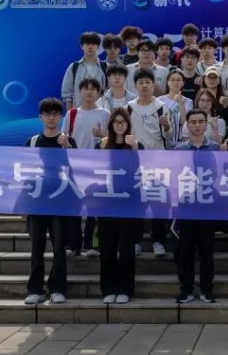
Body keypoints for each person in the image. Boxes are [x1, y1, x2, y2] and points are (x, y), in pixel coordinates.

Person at [23, 98, 74, 306]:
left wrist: (68, 149)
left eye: (55, 114)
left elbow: (77, 171)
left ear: (61, 117)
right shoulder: (33, 142)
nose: (51, 117)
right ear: (40, 117)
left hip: (60, 203)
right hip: (37, 203)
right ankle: (35, 289)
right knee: (37, 247)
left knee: (59, 248)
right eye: (47, 114)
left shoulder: (67, 142)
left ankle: (58, 288)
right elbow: (24, 172)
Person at [95, 107, 144, 305]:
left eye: (123, 122)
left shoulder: (135, 145)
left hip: (128, 204)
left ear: (128, 124)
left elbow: (142, 172)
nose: (120, 125)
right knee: (107, 249)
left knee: (126, 250)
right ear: (111, 125)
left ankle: (125, 289)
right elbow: (95, 170)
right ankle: (108, 288)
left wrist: (135, 150)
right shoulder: (103, 145)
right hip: (107, 203)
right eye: (116, 122)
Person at [174, 109, 222, 303]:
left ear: (205, 124)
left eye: (200, 121)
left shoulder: (215, 148)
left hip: (208, 205)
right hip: (186, 204)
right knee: (185, 250)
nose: (196, 125)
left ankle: (206, 288)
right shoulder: (179, 149)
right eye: (192, 122)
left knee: (207, 250)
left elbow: (219, 175)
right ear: (187, 125)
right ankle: (186, 288)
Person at [62, 78, 109, 257]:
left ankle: (92, 244)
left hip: (97, 166)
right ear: (80, 92)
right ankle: (73, 244)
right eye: (85, 88)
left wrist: (102, 134)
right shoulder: (72, 114)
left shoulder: (105, 114)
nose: (89, 92)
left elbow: (111, 139)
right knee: (73, 206)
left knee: (94, 207)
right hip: (75, 166)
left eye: (93, 89)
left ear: (98, 93)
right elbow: (64, 138)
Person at [127, 69, 172, 256]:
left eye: (148, 82)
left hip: (158, 162)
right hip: (135, 162)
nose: (144, 86)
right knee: (136, 202)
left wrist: (167, 127)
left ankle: (158, 241)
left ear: (153, 85)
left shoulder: (162, 108)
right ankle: (135, 241)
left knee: (159, 202)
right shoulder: (128, 108)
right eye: (141, 82)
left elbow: (169, 139)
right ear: (135, 86)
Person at [60, 31, 106, 110]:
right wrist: (70, 114)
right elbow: (67, 94)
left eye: (93, 44)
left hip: (101, 113)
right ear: (81, 46)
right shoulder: (73, 67)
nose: (90, 47)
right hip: (78, 113)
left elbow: (110, 92)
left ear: (98, 47)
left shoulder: (105, 67)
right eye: (87, 44)